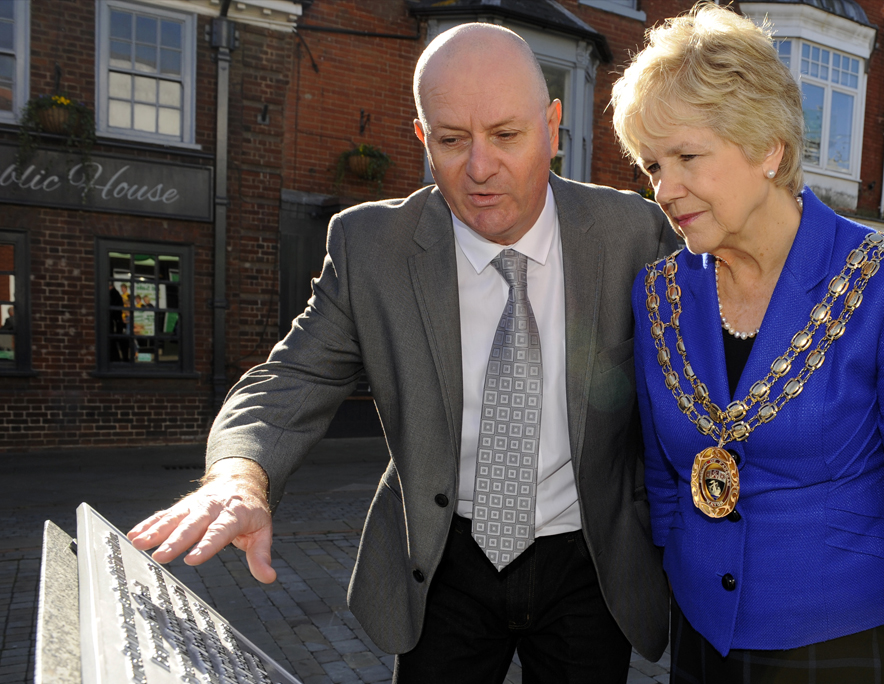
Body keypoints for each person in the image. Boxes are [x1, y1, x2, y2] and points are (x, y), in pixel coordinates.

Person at [129, 22, 677, 683]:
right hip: (443, 564)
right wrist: (239, 477)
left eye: (506, 135)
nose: (479, 168)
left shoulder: (633, 234)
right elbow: (290, 378)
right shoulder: (371, 249)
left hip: (588, 563)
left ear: (553, 125)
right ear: (421, 138)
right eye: (450, 140)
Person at [610, 5, 884, 684]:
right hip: (699, 641)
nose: (662, 189)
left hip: (839, 651)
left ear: (767, 149)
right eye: (651, 164)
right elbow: (664, 484)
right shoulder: (657, 293)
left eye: (687, 157)